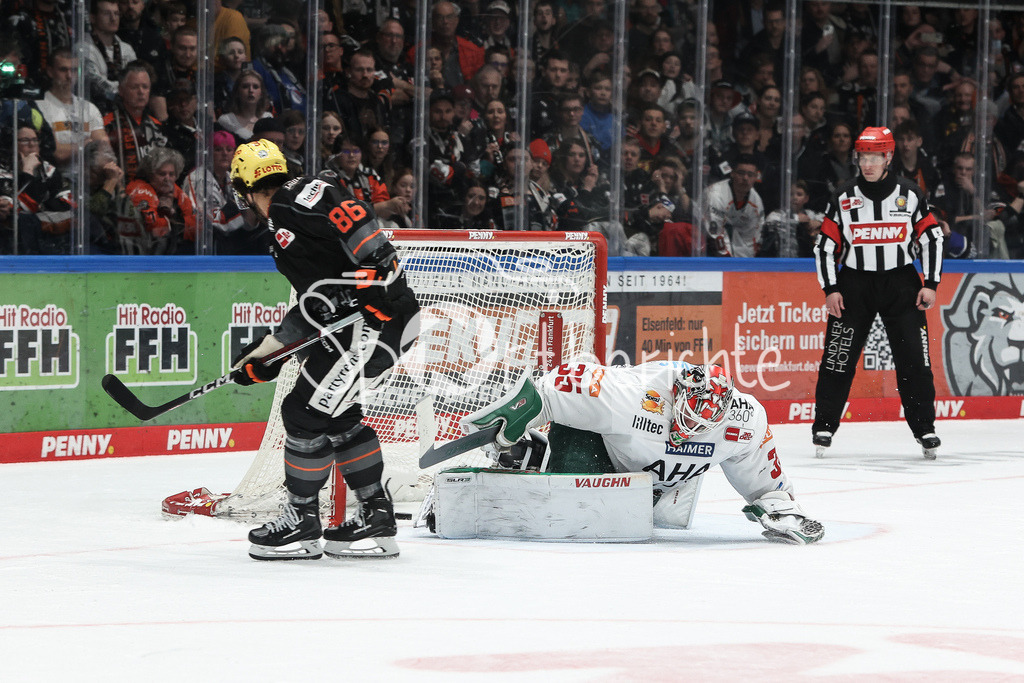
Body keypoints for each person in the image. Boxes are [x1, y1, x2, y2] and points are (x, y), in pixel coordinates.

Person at [228, 139, 420, 560]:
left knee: (302, 413)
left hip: (377, 324)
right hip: (365, 326)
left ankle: (300, 520)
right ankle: (376, 516)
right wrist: (269, 353)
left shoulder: (292, 199)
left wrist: (378, 266)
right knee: (339, 417)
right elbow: (317, 301)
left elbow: (344, 207)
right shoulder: (284, 223)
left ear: (244, 188)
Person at [459, 362, 825, 544]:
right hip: (604, 450)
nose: (691, 430)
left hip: (660, 486)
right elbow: (552, 387)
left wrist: (779, 506)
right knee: (573, 518)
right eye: (688, 417)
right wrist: (516, 414)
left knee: (634, 520)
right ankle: (532, 455)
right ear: (676, 395)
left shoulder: (745, 419)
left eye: (704, 424)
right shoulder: (631, 396)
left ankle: (535, 457)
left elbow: (761, 472)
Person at [812, 126, 943, 460]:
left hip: (902, 285)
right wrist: (831, 289)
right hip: (855, 284)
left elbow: (932, 238)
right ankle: (824, 426)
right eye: (862, 156)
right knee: (838, 358)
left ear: (888, 157)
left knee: (915, 359)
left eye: (874, 156)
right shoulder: (843, 196)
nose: (867, 163)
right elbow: (825, 247)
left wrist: (930, 283)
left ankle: (925, 429)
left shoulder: (910, 193)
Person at [125, 145, 196, 254]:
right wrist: (169, 215)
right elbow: (156, 228)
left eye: (171, 174)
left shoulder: (174, 190)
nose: (167, 179)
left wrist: (173, 219)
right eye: (162, 174)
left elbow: (195, 228)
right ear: (150, 174)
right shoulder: (139, 189)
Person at [704, 153, 765, 257]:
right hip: (702, 234)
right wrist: (729, 263)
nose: (745, 178)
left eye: (750, 175)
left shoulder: (756, 202)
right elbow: (715, 234)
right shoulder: (715, 195)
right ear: (732, 173)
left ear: (756, 177)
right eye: (741, 173)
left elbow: (752, 240)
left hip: (732, 233)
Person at [216, 70, 273, 143]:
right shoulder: (226, 121)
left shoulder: (268, 118)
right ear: (237, 92)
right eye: (245, 86)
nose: (251, 90)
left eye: (255, 87)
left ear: (261, 93)